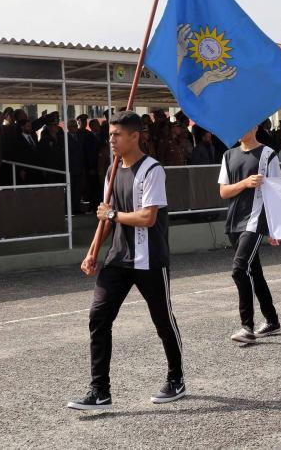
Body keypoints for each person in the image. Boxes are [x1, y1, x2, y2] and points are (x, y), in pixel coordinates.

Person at [69, 111, 184, 410]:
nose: (112, 140)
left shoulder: (152, 170)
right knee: (98, 318)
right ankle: (100, 391)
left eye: (117, 135)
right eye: (110, 135)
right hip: (118, 258)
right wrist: (93, 251)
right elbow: (106, 218)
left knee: (162, 321)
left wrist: (111, 215)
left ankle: (176, 378)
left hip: (150, 259)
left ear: (136, 136)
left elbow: (147, 217)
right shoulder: (112, 169)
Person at [218, 123, 281, 344]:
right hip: (234, 222)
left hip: (255, 220)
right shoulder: (228, 154)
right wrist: (245, 183)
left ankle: (247, 327)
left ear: (255, 127)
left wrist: (276, 226)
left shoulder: (267, 154)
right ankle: (272, 320)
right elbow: (224, 191)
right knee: (254, 272)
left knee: (239, 270)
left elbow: (278, 190)